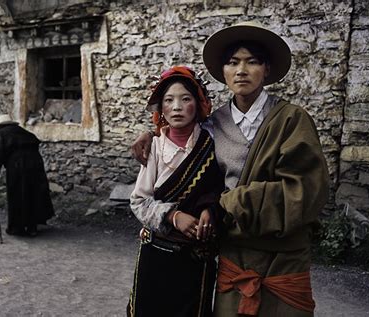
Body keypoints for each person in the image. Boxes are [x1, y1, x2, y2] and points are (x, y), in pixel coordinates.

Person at [131, 21, 330, 316]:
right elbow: (181, 135)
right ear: (222, 72)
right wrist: (151, 132)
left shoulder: (291, 120)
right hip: (232, 251)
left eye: (252, 62)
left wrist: (227, 203)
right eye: (233, 62)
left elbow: (307, 191)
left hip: (281, 253)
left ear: (267, 70)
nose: (242, 71)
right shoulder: (214, 125)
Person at [127, 66, 224, 317]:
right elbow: (139, 201)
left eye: (186, 99)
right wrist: (173, 216)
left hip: (195, 256)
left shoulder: (213, 143)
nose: (177, 107)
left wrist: (210, 210)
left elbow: (220, 187)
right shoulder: (156, 147)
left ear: (199, 103)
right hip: (157, 253)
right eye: (169, 100)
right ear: (161, 109)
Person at [0, 114, 54, 237]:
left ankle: (16, 228)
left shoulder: (2, 134)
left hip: (17, 166)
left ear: (0, 126)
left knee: (17, 194)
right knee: (32, 193)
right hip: (35, 164)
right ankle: (32, 227)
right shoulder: (23, 132)